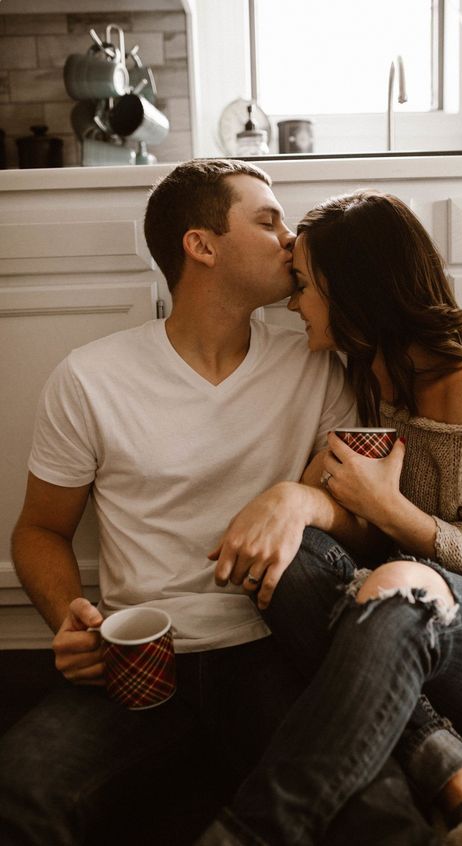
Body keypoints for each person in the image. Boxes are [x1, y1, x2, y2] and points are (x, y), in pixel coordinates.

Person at [0, 159, 366, 845]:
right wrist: (68, 621)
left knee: (373, 810)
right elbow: (40, 530)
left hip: (271, 648)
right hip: (140, 654)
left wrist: (300, 501)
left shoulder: (314, 363)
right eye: (268, 221)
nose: (290, 240)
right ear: (201, 245)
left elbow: (361, 520)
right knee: (20, 792)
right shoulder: (90, 377)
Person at [197, 191, 462, 846]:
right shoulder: (367, 376)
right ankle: (442, 758)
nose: (292, 301)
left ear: (352, 291)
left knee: (402, 582)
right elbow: (345, 518)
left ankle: (254, 831)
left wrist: (389, 510)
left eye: (304, 286)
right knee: (293, 556)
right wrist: (298, 500)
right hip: (414, 632)